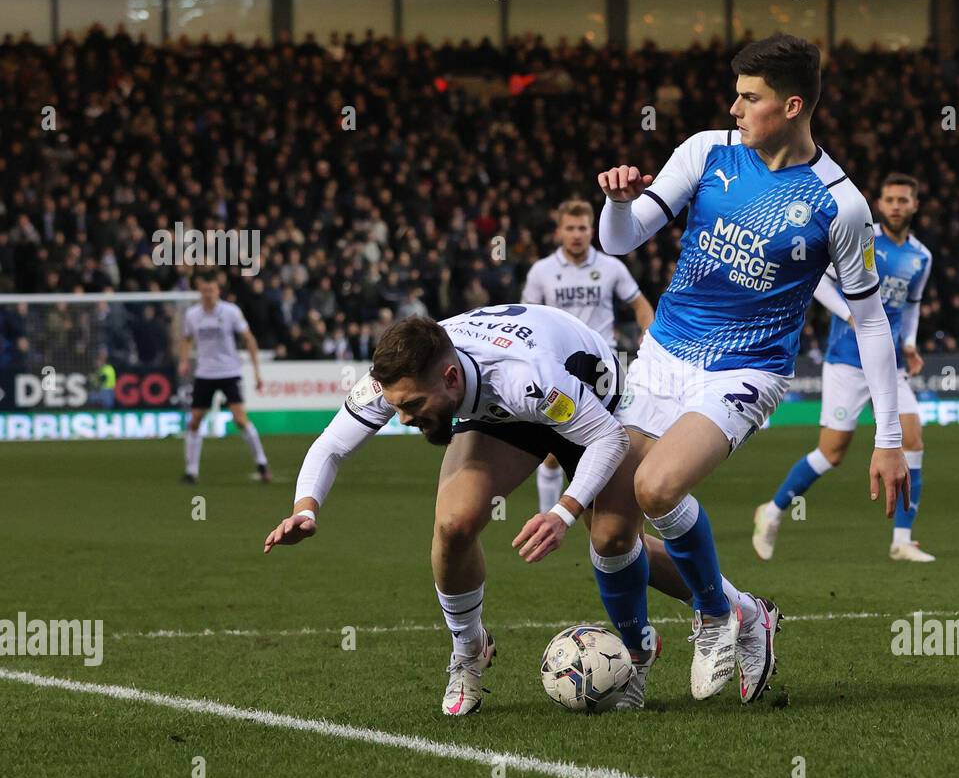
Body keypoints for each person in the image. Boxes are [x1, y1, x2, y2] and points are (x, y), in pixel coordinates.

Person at [590, 34, 909, 706]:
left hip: (745, 371)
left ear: (791, 105)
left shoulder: (840, 204)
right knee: (610, 529)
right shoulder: (708, 152)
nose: (734, 107)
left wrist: (887, 440)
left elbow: (871, 319)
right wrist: (618, 201)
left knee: (657, 488)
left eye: (749, 97)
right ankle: (659, 650)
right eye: (735, 94)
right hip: (662, 358)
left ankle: (715, 614)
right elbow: (619, 240)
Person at [263, 307, 694, 715]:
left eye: (412, 406)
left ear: (449, 378)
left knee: (613, 540)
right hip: (504, 405)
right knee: (454, 523)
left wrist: (563, 511)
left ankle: (725, 607)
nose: (402, 418)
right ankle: (469, 650)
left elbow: (608, 439)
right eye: (396, 405)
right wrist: (306, 509)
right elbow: (332, 445)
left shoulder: (521, 376)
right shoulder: (399, 378)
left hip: (588, 387)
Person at [754, 172, 935, 563]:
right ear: (880, 203)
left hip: (890, 363)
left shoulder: (921, 257)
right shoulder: (863, 240)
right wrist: (849, 316)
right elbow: (818, 277)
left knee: (913, 438)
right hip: (847, 361)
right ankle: (772, 510)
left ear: (914, 205)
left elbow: (912, 305)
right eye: (890, 199)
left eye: (904, 200)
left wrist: (909, 343)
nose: (896, 206)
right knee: (832, 453)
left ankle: (902, 539)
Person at [522, 199, 654, 513]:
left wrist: (648, 344)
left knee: (622, 439)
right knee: (556, 446)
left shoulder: (611, 267)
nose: (577, 234)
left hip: (607, 363)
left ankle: (617, 512)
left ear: (591, 230)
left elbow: (640, 306)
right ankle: (547, 513)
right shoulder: (542, 271)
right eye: (570, 228)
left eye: (582, 228)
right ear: (559, 232)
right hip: (559, 366)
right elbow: (528, 317)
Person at [179, 273, 269, 483]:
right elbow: (186, 339)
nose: (208, 295)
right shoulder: (192, 315)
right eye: (204, 291)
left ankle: (262, 463)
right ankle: (191, 471)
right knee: (195, 421)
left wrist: (257, 372)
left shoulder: (231, 312)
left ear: (218, 291)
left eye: (211, 290)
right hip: (205, 373)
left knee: (240, 419)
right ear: (200, 291)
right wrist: (184, 360)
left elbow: (248, 339)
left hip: (230, 372)